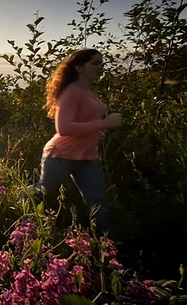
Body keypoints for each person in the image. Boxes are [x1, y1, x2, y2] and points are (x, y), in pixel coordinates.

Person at [36, 48, 123, 237]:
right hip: (61, 155)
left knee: (97, 200)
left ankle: (107, 245)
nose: (100, 67)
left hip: (88, 156)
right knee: (44, 195)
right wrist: (103, 124)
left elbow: (84, 123)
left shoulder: (89, 92)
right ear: (79, 67)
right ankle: (23, 222)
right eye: (95, 63)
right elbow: (64, 128)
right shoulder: (71, 92)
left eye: (101, 63)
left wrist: (97, 131)